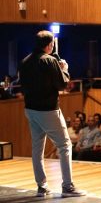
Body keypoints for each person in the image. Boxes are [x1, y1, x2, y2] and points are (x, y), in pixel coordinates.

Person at [19, 30, 86, 197]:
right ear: (49, 45)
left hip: (30, 109)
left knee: (37, 148)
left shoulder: (25, 61)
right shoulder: (49, 61)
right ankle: (68, 186)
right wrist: (65, 69)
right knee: (65, 145)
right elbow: (63, 84)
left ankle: (41, 186)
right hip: (48, 110)